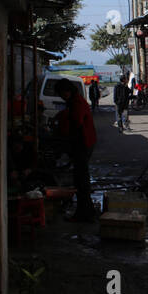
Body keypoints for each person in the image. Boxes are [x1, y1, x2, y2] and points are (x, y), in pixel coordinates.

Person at [53, 79, 97, 222]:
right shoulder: (75, 101)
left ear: (67, 91)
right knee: (80, 178)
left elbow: (76, 122)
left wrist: (63, 126)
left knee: (81, 180)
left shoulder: (76, 102)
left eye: (62, 93)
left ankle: (84, 212)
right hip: (83, 142)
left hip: (83, 143)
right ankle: (86, 211)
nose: (61, 96)